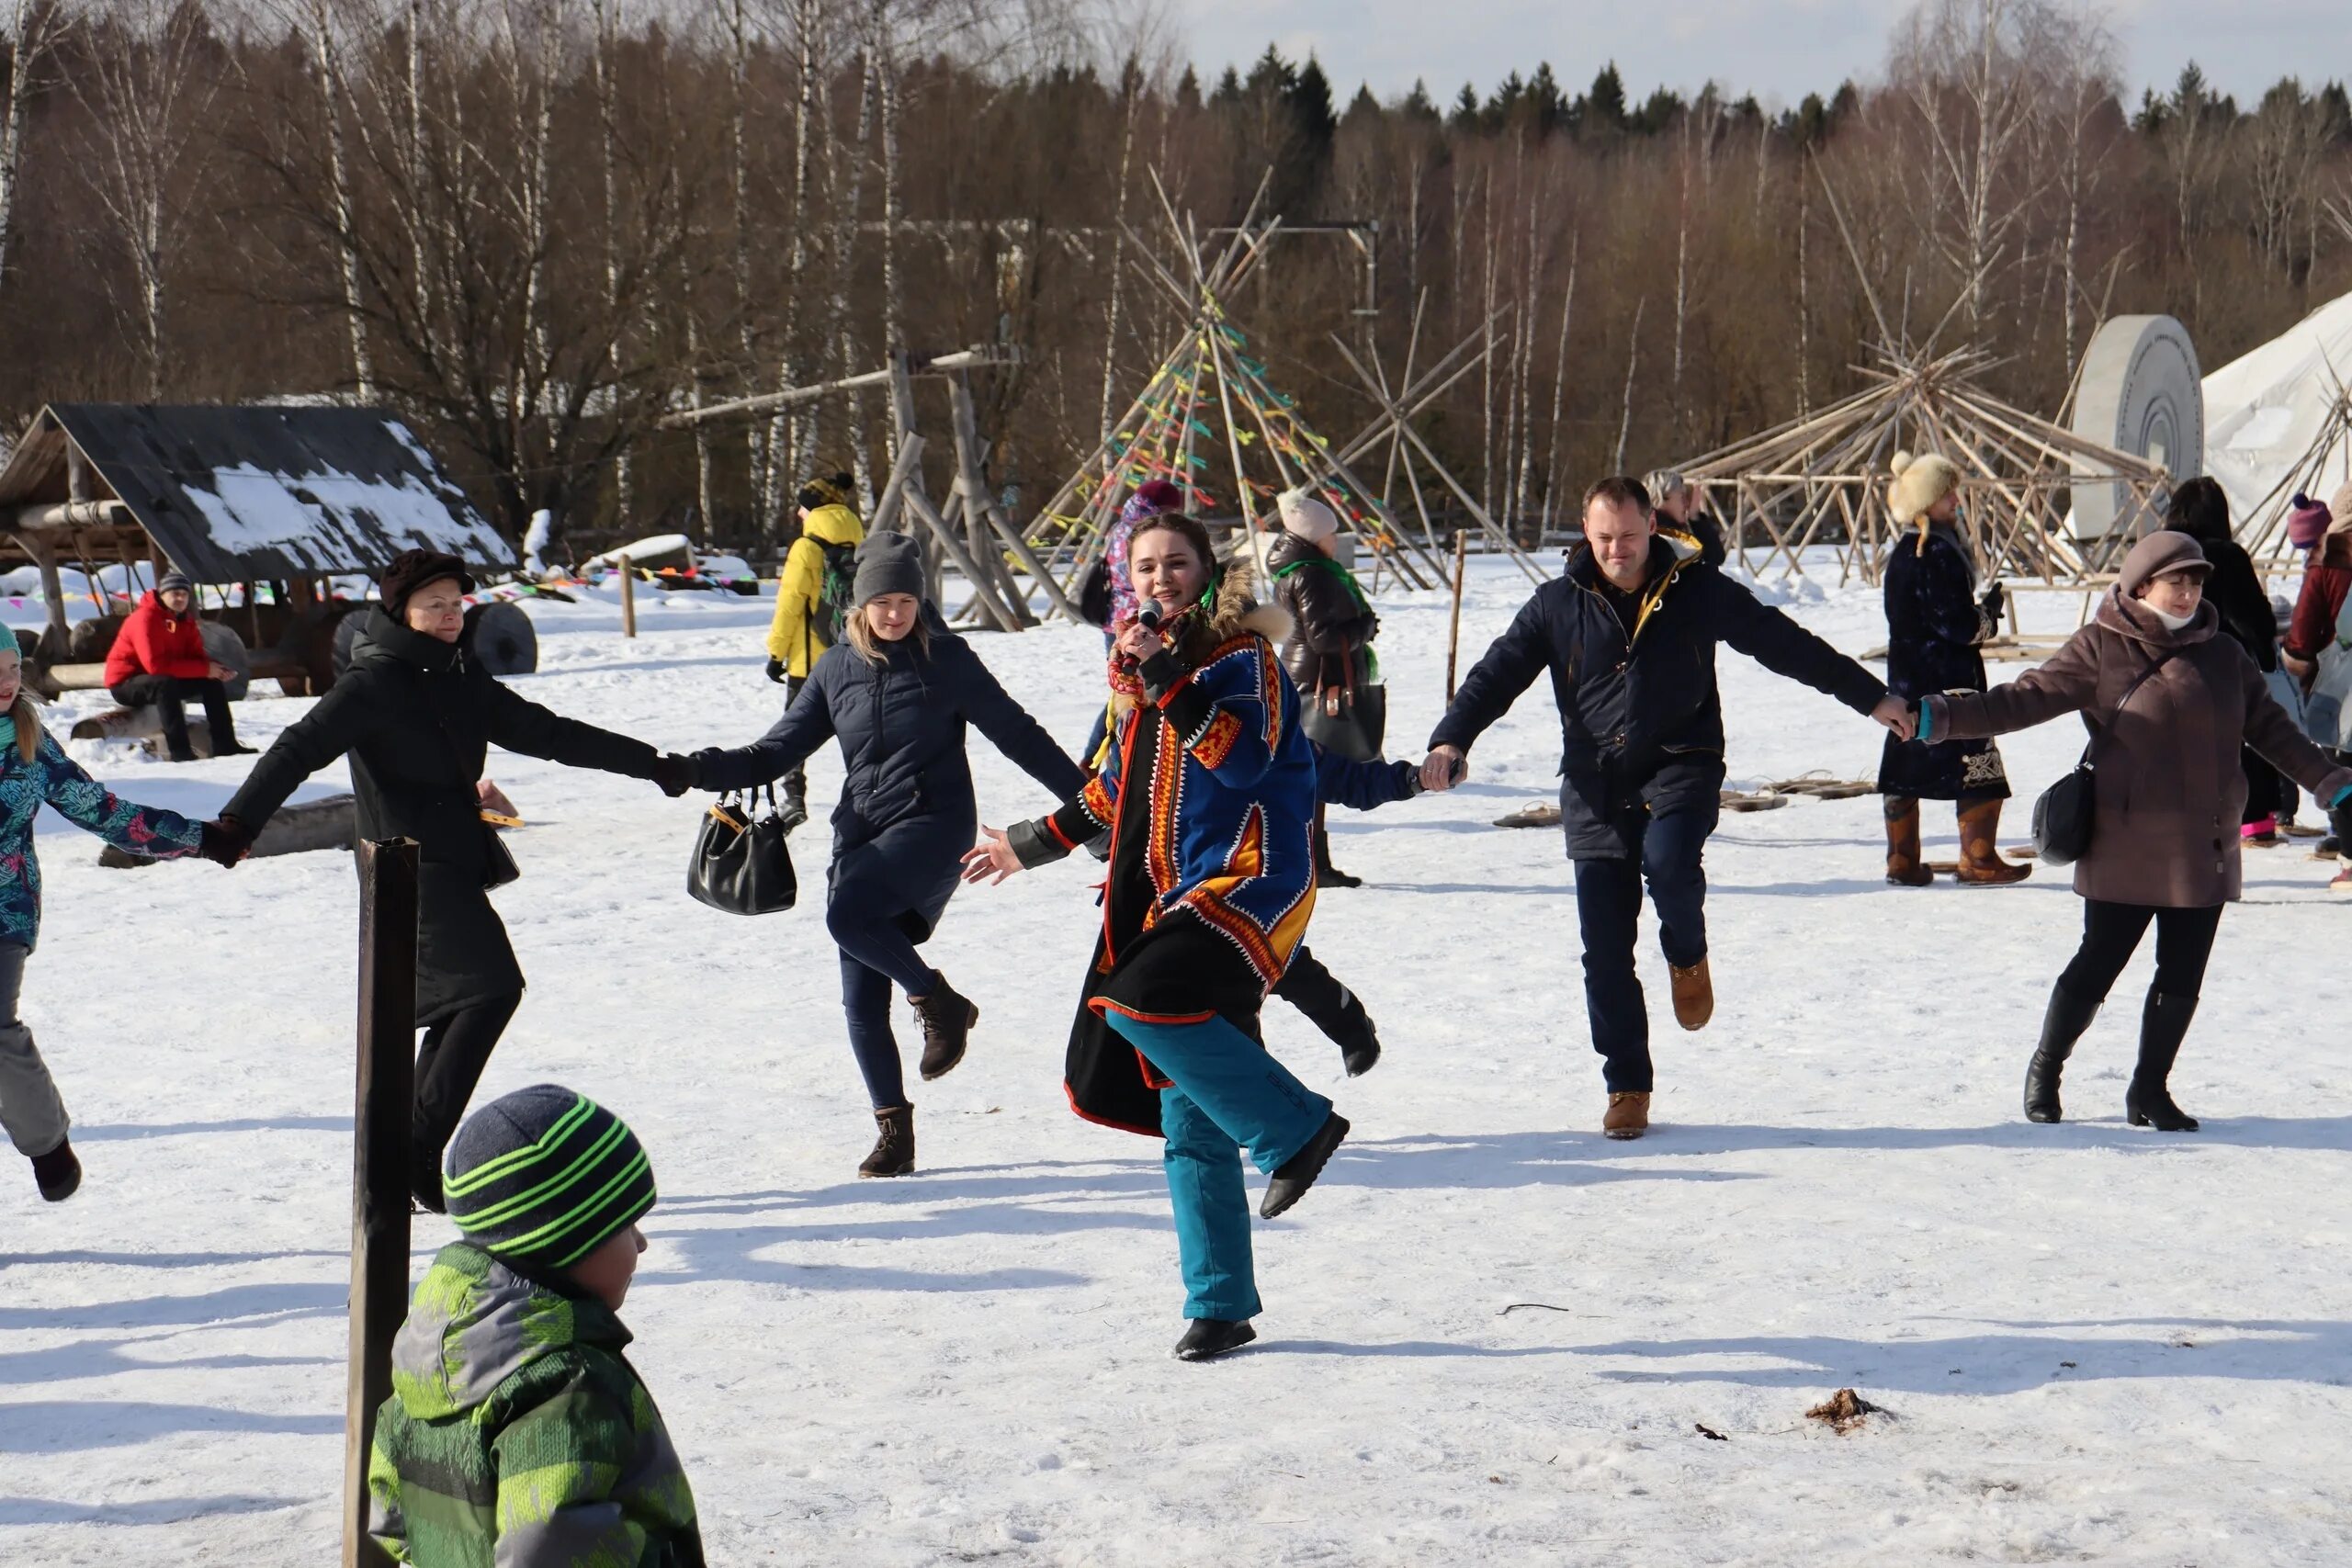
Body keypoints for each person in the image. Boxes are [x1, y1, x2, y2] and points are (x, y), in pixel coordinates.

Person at [962, 512, 1348, 1362]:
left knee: (1136, 999)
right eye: (1146, 566)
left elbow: (1238, 762)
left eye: (1177, 562)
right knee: (1190, 1110)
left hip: (1245, 883)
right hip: (1166, 895)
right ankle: (1220, 1303)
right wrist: (1021, 846)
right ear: (1128, 578)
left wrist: (1168, 674)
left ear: (1208, 570)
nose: (1161, 577)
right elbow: (1111, 793)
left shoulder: (1244, 658)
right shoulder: (1139, 668)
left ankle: (1296, 1128)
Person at [1420, 476, 1914, 1140]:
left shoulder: (1697, 589)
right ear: (1585, 533)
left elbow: (1785, 643)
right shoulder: (1556, 604)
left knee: (1671, 862)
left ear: (1652, 525)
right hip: (1596, 784)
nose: (1616, 550)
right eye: (1602, 538)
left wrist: (1870, 697)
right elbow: (1496, 673)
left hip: (1682, 760)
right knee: (1604, 950)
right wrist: (1451, 737)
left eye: (1627, 535)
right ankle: (1627, 1085)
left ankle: (1686, 953)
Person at [203, 550, 694, 1211]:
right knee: (490, 991)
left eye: (454, 603)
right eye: (431, 605)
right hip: (404, 865)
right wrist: (239, 823)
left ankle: (403, 1153)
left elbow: (547, 732)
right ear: (401, 612)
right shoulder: (373, 680)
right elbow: (296, 747)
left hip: (453, 859)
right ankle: (413, 1151)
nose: (445, 615)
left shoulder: (460, 673)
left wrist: (651, 763)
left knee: (469, 1003)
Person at [1912, 532, 2352, 1129]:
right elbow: (2023, 699)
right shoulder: (2102, 648)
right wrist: (1943, 716)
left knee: (2182, 974)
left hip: (2204, 841)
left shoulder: (2223, 654)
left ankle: (2150, 1088)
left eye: (2196, 582)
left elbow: (2274, 732)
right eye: (2177, 582)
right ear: (2141, 585)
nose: (2188, 592)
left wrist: (2332, 783)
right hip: (2126, 839)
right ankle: (2047, 1065)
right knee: (2098, 964)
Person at [690, 533, 1085, 1178]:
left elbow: (1018, 733)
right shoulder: (834, 667)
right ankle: (894, 1132)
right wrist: (698, 769)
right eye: (883, 601)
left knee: (847, 916)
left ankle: (939, 1001)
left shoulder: (948, 658)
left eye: (907, 599)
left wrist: (1090, 804)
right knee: (859, 994)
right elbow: (776, 751)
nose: (896, 613)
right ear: (860, 604)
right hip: (862, 830)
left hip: (934, 822)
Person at [368, 1084, 705, 1566]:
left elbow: (389, 1508)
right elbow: (552, 1548)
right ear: (564, 1242)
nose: (642, 1243)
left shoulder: (437, 1356)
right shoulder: (564, 1385)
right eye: (626, 1226)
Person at [0, 642, 228, 1201]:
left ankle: (47, 1143)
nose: (7, 683)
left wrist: (200, 838)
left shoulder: (30, 744)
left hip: (4, 909)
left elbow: (100, 810)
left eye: (12, 669)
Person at [1875, 452, 2028, 886]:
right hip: (1949, 680)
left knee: (1906, 762)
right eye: (1947, 495)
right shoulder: (1936, 551)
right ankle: (1978, 860)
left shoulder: (1902, 551)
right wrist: (1988, 616)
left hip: (1906, 678)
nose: (1956, 501)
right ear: (1927, 501)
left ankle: (1901, 861)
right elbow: (1955, 624)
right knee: (1976, 766)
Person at [1267, 489, 1383, 888]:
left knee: (1310, 777)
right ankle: (1313, 865)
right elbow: (1324, 639)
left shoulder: (1298, 568)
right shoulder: (1312, 573)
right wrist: (1364, 626)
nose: (1335, 540)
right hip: (1315, 680)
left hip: (1305, 675)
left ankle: (1315, 864)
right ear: (1315, 537)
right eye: (1331, 534)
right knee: (1313, 777)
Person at [2167, 476, 2288, 846]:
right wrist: (2267, 654)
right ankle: (2255, 823)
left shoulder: (2161, 552)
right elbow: (2252, 615)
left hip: (2166, 664)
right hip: (2224, 666)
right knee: (2245, 740)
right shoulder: (2226, 554)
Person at [762, 473, 865, 831]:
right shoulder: (859, 542)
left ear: (814, 509)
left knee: (793, 732)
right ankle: (870, 797)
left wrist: (776, 654)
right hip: (853, 655)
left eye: (803, 507)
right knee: (859, 732)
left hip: (810, 662)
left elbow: (790, 605)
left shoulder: (806, 548)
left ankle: (793, 798)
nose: (798, 513)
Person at [1080, 479, 1187, 768]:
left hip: (1121, 618)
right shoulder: (1141, 532)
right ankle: (1100, 760)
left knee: (1128, 692)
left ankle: (1104, 760)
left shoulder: (1123, 525)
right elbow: (1134, 577)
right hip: (1137, 620)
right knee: (1129, 693)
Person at [102, 570, 253, 761]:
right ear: (162, 594)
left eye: (184, 594)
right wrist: (205, 669)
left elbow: (196, 657)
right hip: (126, 684)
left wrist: (216, 670)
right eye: (175, 593)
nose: (180, 598)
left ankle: (226, 744)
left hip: (163, 679)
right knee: (165, 684)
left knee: (211, 683)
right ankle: (180, 750)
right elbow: (155, 666)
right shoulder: (145, 618)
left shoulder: (184, 620)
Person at [2282, 481, 2352, 888]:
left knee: (2342, 767)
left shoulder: (2330, 554)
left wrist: (2299, 663)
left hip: (2341, 681)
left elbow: (2304, 629)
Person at [1643, 468, 1727, 567]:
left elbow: (1715, 559)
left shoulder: (1669, 533)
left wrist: (1695, 516)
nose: (1687, 504)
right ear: (1661, 499)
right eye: (1682, 497)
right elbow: (1707, 562)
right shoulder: (1659, 539)